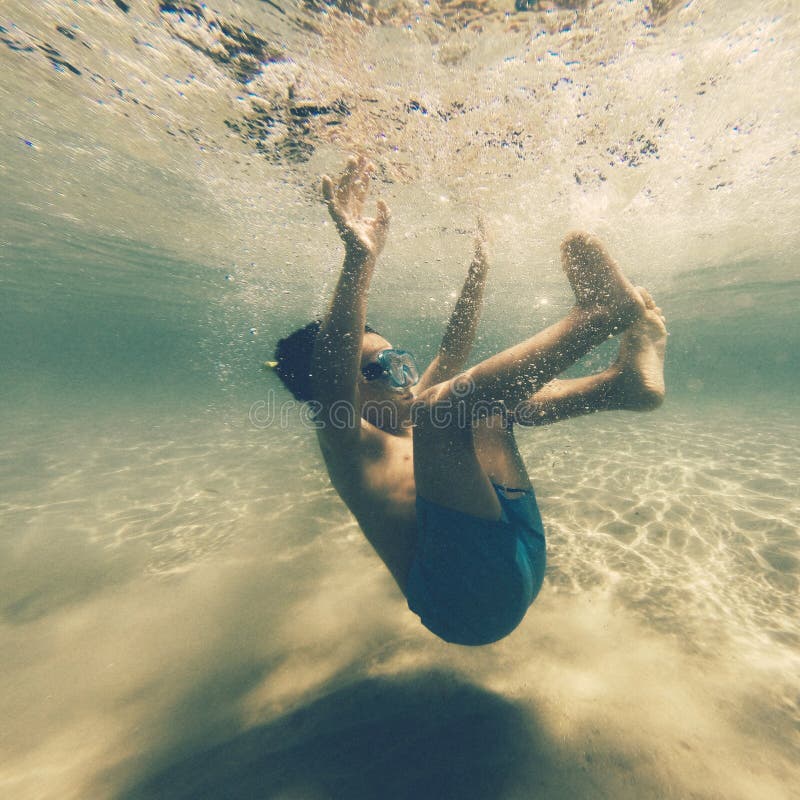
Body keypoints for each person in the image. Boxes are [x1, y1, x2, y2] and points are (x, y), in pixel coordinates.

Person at [269, 156, 667, 646]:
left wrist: (481, 264)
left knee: (481, 405)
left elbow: (454, 347)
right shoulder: (349, 440)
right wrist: (359, 260)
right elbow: (331, 375)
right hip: (463, 604)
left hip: (521, 549)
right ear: (344, 392)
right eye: (379, 370)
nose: (402, 378)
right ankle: (599, 315)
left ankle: (620, 385)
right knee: (444, 409)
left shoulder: (412, 412)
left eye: (402, 361)